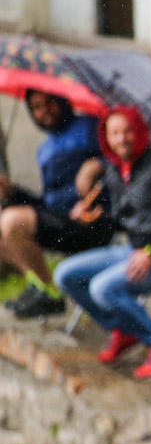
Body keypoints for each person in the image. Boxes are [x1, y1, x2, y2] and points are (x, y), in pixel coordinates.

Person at [54, 106, 151, 381]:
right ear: (105, 137)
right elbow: (126, 221)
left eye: (127, 131)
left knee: (102, 288)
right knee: (66, 274)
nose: (121, 139)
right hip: (133, 250)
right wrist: (94, 218)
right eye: (114, 133)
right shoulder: (118, 169)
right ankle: (126, 331)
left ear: (140, 131)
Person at [1, 90, 114, 318]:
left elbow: (122, 160)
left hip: (91, 221)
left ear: (63, 100)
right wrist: (14, 191)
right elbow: (48, 203)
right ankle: (41, 286)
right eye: (36, 107)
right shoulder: (45, 149)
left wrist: (96, 165)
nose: (44, 112)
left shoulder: (89, 128)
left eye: (50, 102)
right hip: (59, 220)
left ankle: (50, 294)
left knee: (13, 221)